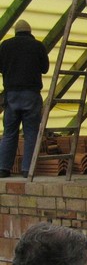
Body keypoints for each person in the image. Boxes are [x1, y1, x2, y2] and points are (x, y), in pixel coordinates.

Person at [0, 19, 50, 178]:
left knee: (9, 133)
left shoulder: (5, 46)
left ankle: (3, 168)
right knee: (31, 133)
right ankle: (27, 169)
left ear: (16, 32)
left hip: (12, 95)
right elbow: (45, 68)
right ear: (30, 32)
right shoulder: (37, 46)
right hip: (31, 95)